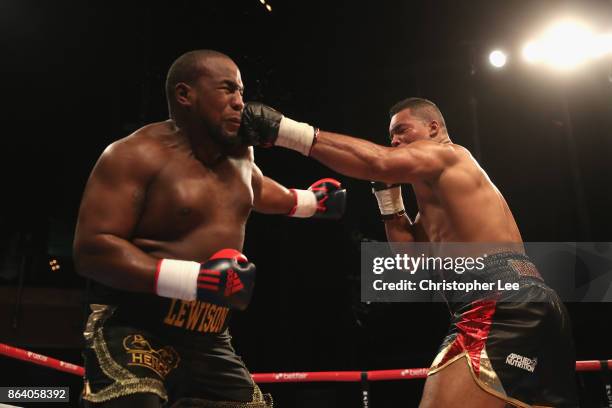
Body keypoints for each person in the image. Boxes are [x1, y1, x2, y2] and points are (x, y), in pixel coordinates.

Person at [238, 98, 578, 407]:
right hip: (529, 304)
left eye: (402, 130)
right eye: (392, 136)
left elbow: (376, 161)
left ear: (433, 128)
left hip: (498, 304)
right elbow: (412, 261)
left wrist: (286, 131)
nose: (395, 141)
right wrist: (390, 201)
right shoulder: (436, 200)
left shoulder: (447, 153)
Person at [73, 50, 345, 408]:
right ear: (186, 95)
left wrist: (310, 202)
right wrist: (194, 279)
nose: (240, 103)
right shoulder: (134, 155)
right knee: (135, 401)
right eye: (227, 90)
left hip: (209, 336)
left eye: (242, 93)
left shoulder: (240, 156)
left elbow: (257, 190)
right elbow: (92, 250)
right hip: (136, 325)